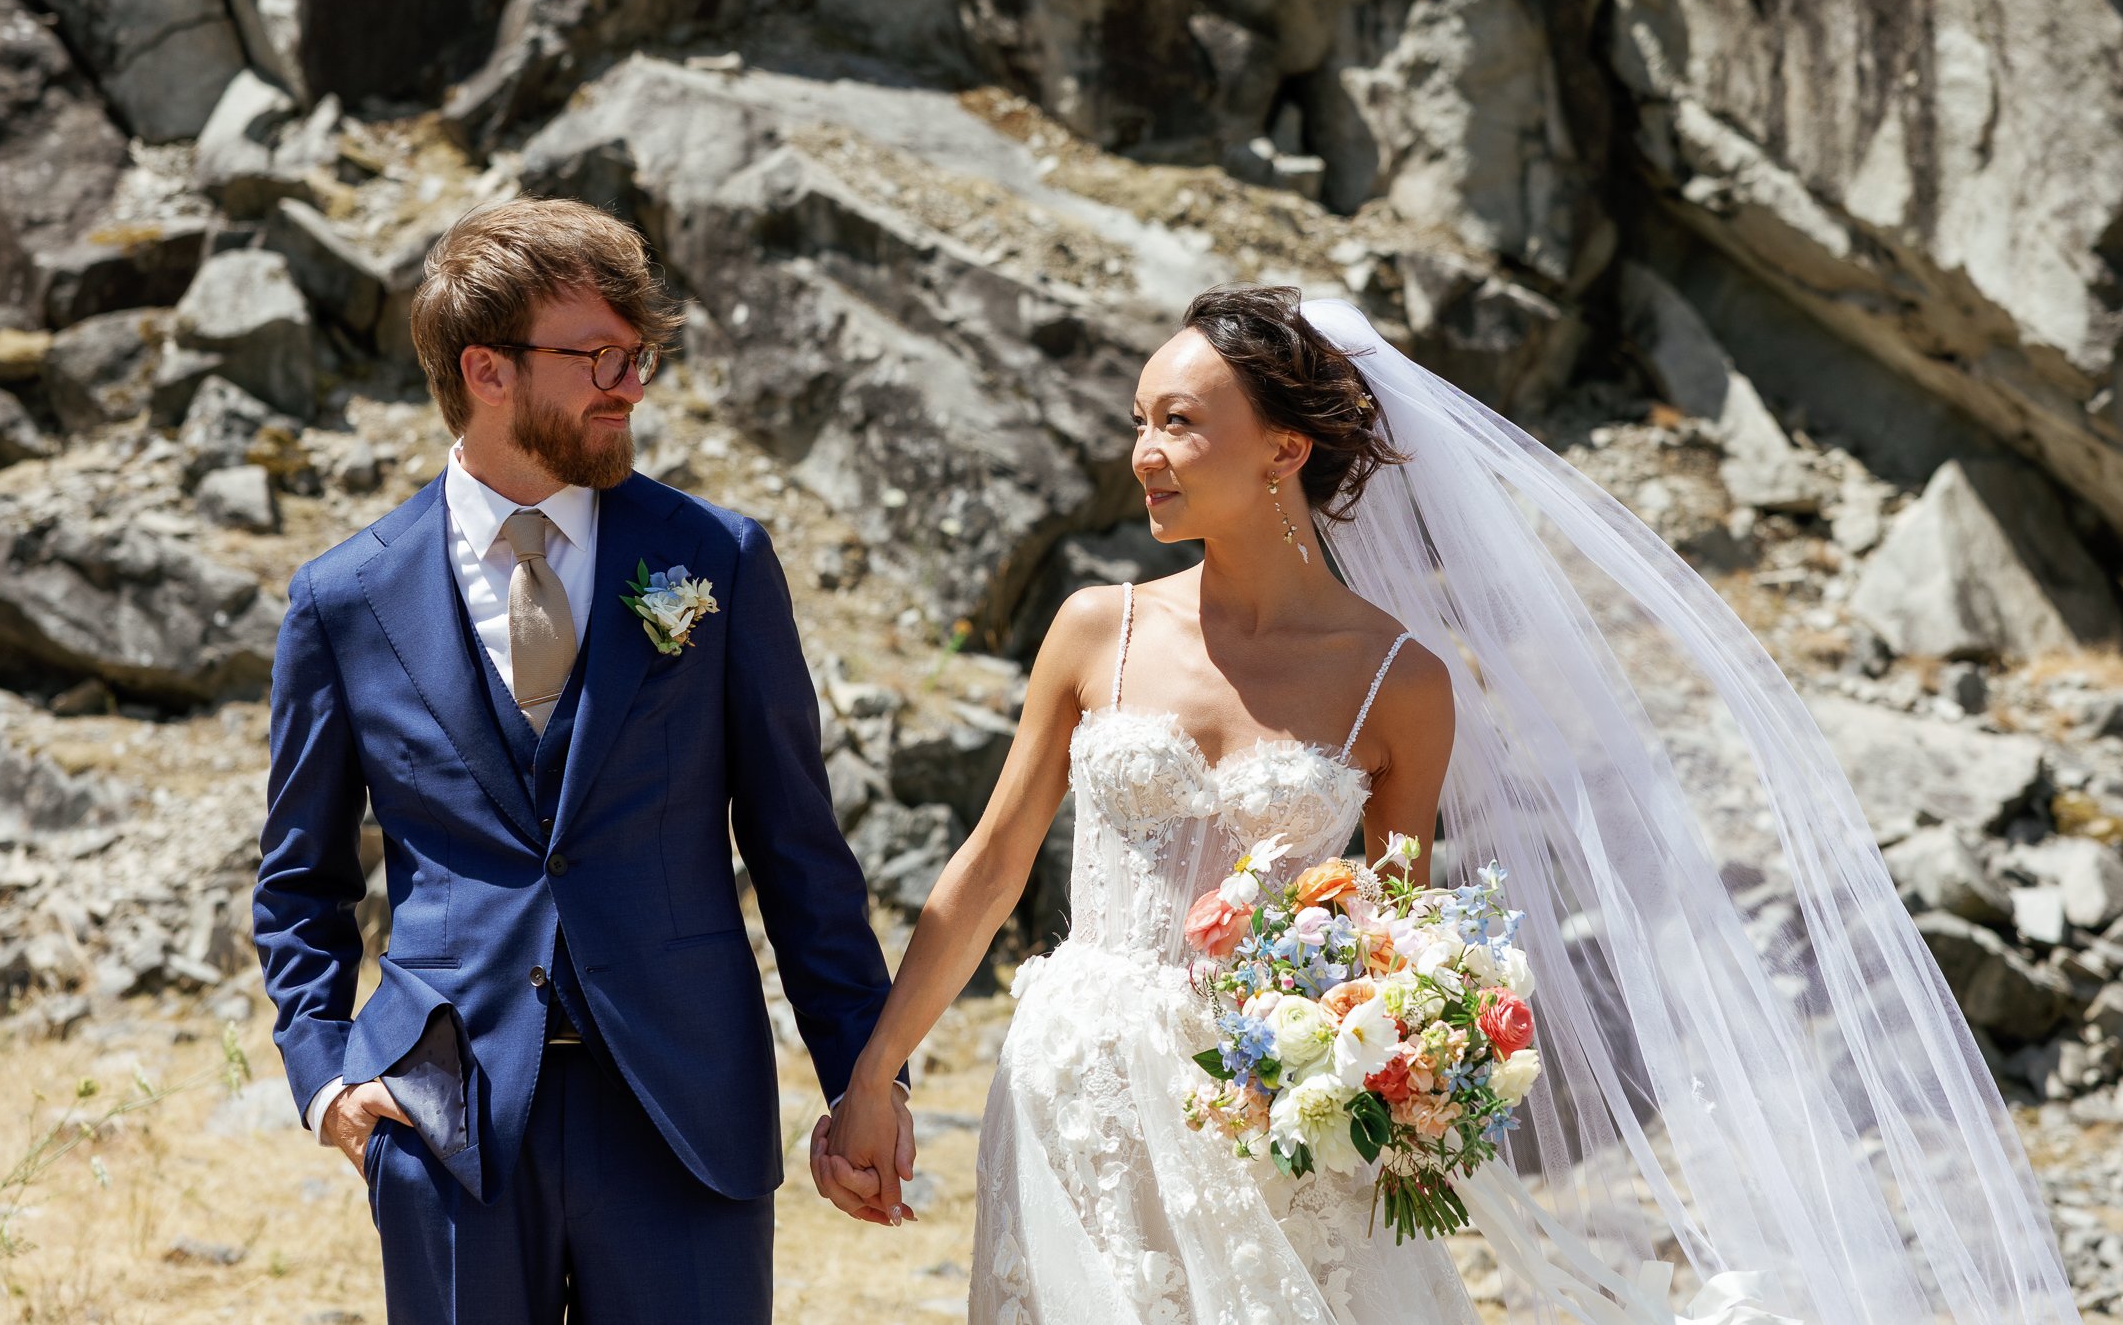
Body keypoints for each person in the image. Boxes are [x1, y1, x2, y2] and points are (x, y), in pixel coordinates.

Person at [815, 285, 2084, 1323]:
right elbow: (986, 868)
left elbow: (1393, 937)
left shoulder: (1397, 680)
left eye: (1181, 423)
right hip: (1076, 1093)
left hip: (1269, 1114)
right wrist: (877, 1070)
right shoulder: (1099, 627)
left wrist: (1383, 1066)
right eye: (1141, 418)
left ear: (1284, 448)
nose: (1143, 451)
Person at [252, 194, 909, 1324]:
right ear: (487, 370)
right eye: (597, 354)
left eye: (638, 352)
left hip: (682, 1107)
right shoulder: (343, 597)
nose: (630, 383)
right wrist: (329, 1079)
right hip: (443, 1117)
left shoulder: (717, 557)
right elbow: (300, 883)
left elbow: (800, 850)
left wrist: (865, 1077)